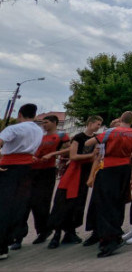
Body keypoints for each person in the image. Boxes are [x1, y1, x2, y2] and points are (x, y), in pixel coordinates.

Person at [84, 111, 132, 258]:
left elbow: (88, 143)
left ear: (120, 119)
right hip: (125, 169)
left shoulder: (111, 132)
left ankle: (110, 239)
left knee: (105, 204)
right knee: (119, 202)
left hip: (109, 168)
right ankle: (116, 232)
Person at [12, 114, 70, 250]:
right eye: (43, 122)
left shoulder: (61, 136)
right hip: (31, 170)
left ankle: (44, 230)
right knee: (24, 204)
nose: (44, 124)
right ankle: (18, 237)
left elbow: (69, 150)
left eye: (46, 122)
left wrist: (53, 154)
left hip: (47, 172)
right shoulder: (39, 136)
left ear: (54, 123)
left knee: (41, 204)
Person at [47, 115, 103, 249]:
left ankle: (70, 232)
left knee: (78, 202)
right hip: (74, 172)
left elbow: (96, 158)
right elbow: (73, 156)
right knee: (63, 201)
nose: (98, 126)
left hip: (84, 172)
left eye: (100, 124)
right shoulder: (79, 137)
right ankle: (57, 234)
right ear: (89, 123)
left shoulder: (95, 139)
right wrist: (90, 156)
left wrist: (91, 176)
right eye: (97, 124)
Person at [0, 103, 43, 260]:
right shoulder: (39, 130)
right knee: (17, 206)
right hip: (26, 169)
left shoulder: (14, 128)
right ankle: (8, 241)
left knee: (3, 206)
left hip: (9, 168)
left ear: (19, 114)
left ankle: (1, 245)